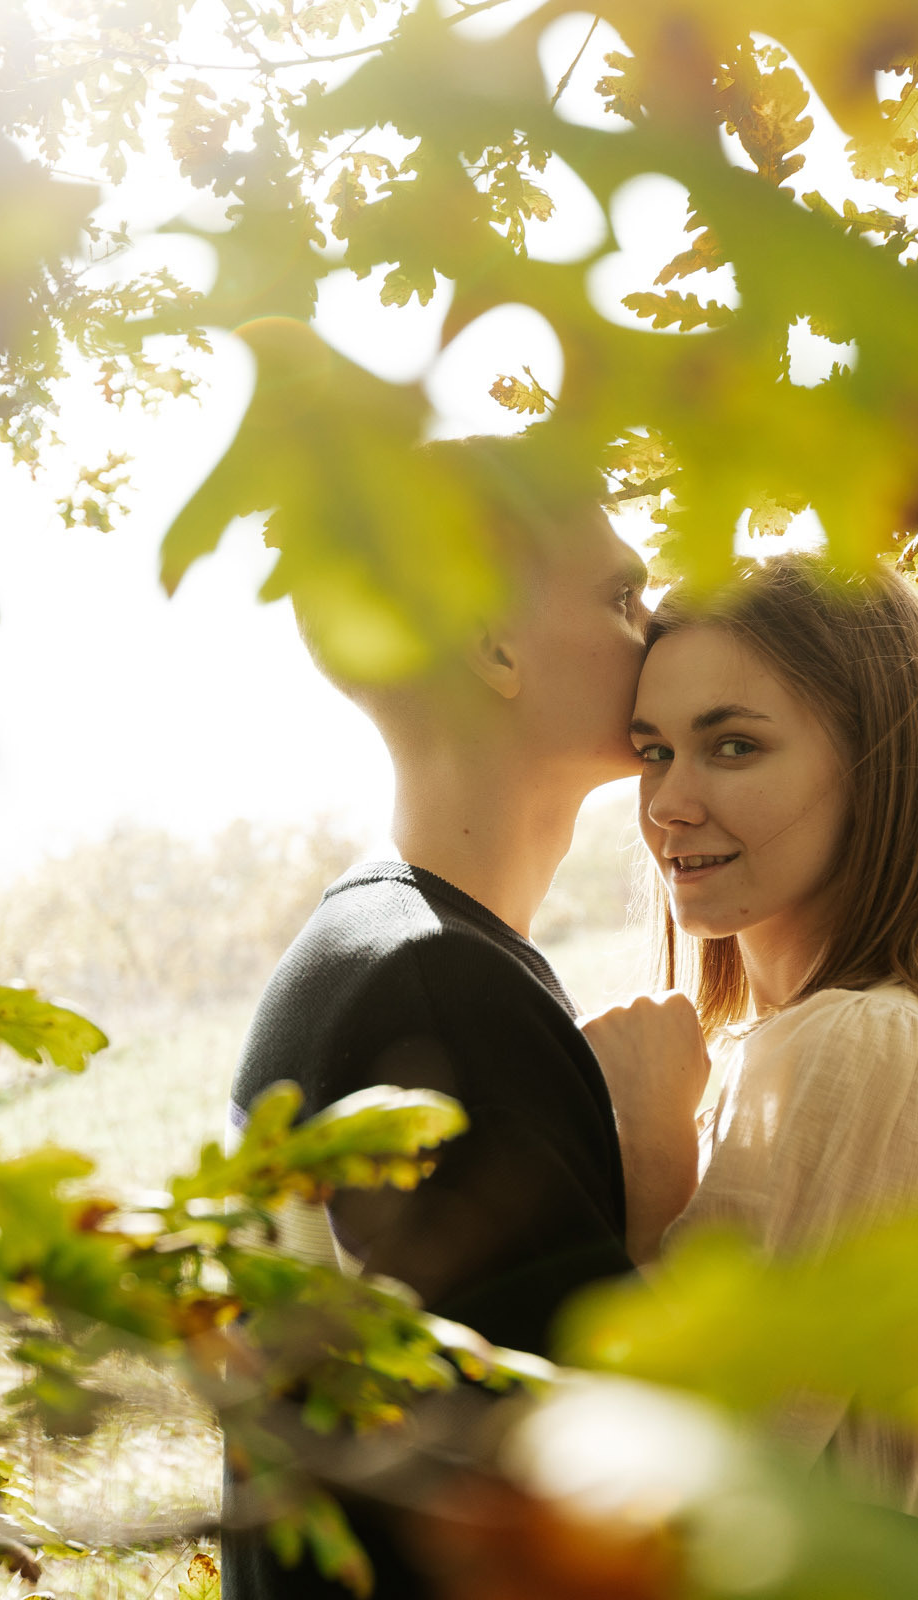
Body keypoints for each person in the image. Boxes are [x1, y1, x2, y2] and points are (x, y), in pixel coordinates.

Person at [222, 449, 651, 1600]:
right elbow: (599, 1497)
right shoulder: (434, 993)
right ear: (492, 645)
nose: (656, 630)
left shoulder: (367, 955)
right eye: (620, 597)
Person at [583, 555, 918, 1537]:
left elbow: (683, 1489)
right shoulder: (887, 1033)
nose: (668, 803)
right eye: (653, 750)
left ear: (875, 761)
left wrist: (652, 1152)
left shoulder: (863, 1043)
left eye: (735, 746)